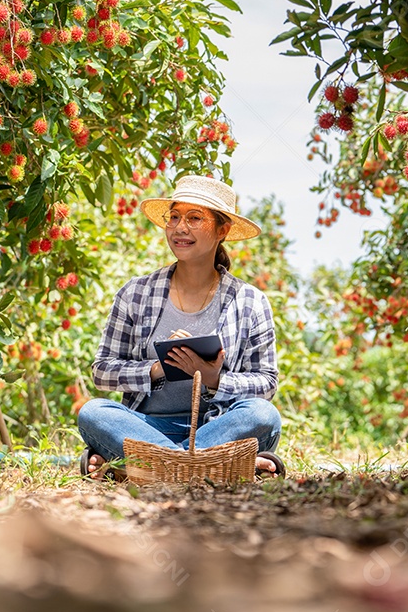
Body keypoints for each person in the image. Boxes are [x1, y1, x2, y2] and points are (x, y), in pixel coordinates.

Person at [77, 174, 285, 479]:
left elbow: (266, 382)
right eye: (173, 217)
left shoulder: (250, 301)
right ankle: (211, 466)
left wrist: (215, 379)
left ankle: (147, 467)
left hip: (218, 426)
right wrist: (157, 368)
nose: (180, 228)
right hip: (147, 425)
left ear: (222, 230)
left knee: (262, 414)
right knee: (93, 412)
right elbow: (102, 371)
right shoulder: (135, 293)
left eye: (194, 218)